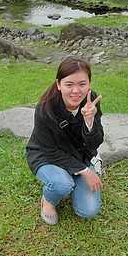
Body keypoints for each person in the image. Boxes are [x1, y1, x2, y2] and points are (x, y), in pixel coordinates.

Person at [26, 57, 104, 225]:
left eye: (82, 84)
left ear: (89, 83)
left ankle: (72, 175)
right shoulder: (45, 109)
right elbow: (50, 151)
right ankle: (49, 200)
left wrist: (90, 121)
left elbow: (95, 143)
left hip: (78, 155)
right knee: (61, 184)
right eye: (69, 85)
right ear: (59, 84)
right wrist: (85, 171)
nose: (76, 91)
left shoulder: (92, 101)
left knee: (88, 211)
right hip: (47, 156)